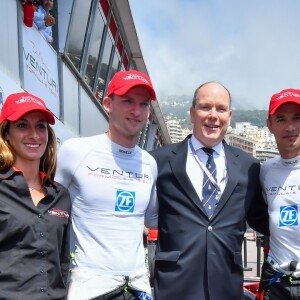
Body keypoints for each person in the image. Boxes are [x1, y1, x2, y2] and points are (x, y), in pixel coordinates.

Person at [150, 81, 269, 300]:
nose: (213, 115)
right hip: (175, 286)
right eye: (205, 107)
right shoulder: (159, 161)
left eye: (221, 109)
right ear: (192, 113)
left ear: (229, 116)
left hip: (226, 287)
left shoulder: (249, 166)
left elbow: (265, 221)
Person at [55, 70, 158, 300]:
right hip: (91, 288)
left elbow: (152, 221)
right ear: (108, 104)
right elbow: (46, 213)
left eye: (143, 104)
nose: (136, 111)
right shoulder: (75, 151)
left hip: (138, 288)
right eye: (128, 101)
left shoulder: (149, 163)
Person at [0, 92, 71, 300]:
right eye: (22, 125)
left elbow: (63, 262)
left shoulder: (61, 196)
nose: (34, 134)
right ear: (6, 134)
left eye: (40, 126)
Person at [259, 88, 300, 300]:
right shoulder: (266, 170)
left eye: (297, 118)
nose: (290, 127)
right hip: (277, 283)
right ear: (270, 125)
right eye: (281, 119)